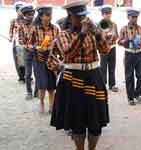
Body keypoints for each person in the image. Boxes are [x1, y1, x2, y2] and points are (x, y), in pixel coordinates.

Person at [50, 1, 110, 150]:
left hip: (94, 76)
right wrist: (82, 33)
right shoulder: (63, 35)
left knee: (95, 122)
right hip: (73, 78)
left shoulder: (92, 33)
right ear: (70, 17)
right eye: (79, 17)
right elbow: (68, 54)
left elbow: (105, 50)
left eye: (84, 16)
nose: (83, 20)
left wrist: (98, 34)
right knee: (78, 122)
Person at [27, 5, 59, 113]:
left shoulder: (55, 28)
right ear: (41, 16)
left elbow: (59, 44)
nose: (49, 17)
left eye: (50, 15)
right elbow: (28, 45)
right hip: (39, 59)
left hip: (51, 58)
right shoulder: (34, 28)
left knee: (51, 84)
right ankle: (41, 102)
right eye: (47, 15)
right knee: (42, 84)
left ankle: (51, 105)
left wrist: (54, 46)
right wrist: (37, 47)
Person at [118, 8, 141, 106]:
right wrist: (126, 40)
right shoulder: (124, 29)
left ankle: (138, 93)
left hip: (138, 53)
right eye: (132, 17)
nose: (134, 19)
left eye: (136, 17)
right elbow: (119, 41)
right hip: (129, 54)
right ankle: (130, 98)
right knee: (129, 77)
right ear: (128, 17)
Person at [18, 4, 38, 100]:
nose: (30, 16)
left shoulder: (38, 24)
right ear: (24, 15)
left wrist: (34, 46)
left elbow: (40, 38)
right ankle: (29, 92)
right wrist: (27, 46)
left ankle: (37, 92)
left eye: (32, 14)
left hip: (37, 51)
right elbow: (20, 40)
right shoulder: (21, 26)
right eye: (28, 15)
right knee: (28, 74)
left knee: (37, 72)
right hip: (27, 52)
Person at [98, 5, 119, 92]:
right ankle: (103, 84)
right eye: (106, 13)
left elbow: (117, 36)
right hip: (103, 48)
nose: (108, 15)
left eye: (109, 13)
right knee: (103, 66)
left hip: (112, 47)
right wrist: (105, 37)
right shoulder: (99, 25)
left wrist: (114, 37)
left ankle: (112, 84)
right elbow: (98, 37)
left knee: (112, 66)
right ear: (102, 15)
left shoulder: (114, 24)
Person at [9, 1, 25, 83]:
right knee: (18, 61)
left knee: (25, 60)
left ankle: (26, 76)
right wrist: (10, 37)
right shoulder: (13, 21)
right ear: (16, 11)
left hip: (25, 43)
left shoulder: (27, 20)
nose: (21, 12)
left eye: (22, 10)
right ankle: (21, 77)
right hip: (16, 43)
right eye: (19, 10)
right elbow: (10, 31)